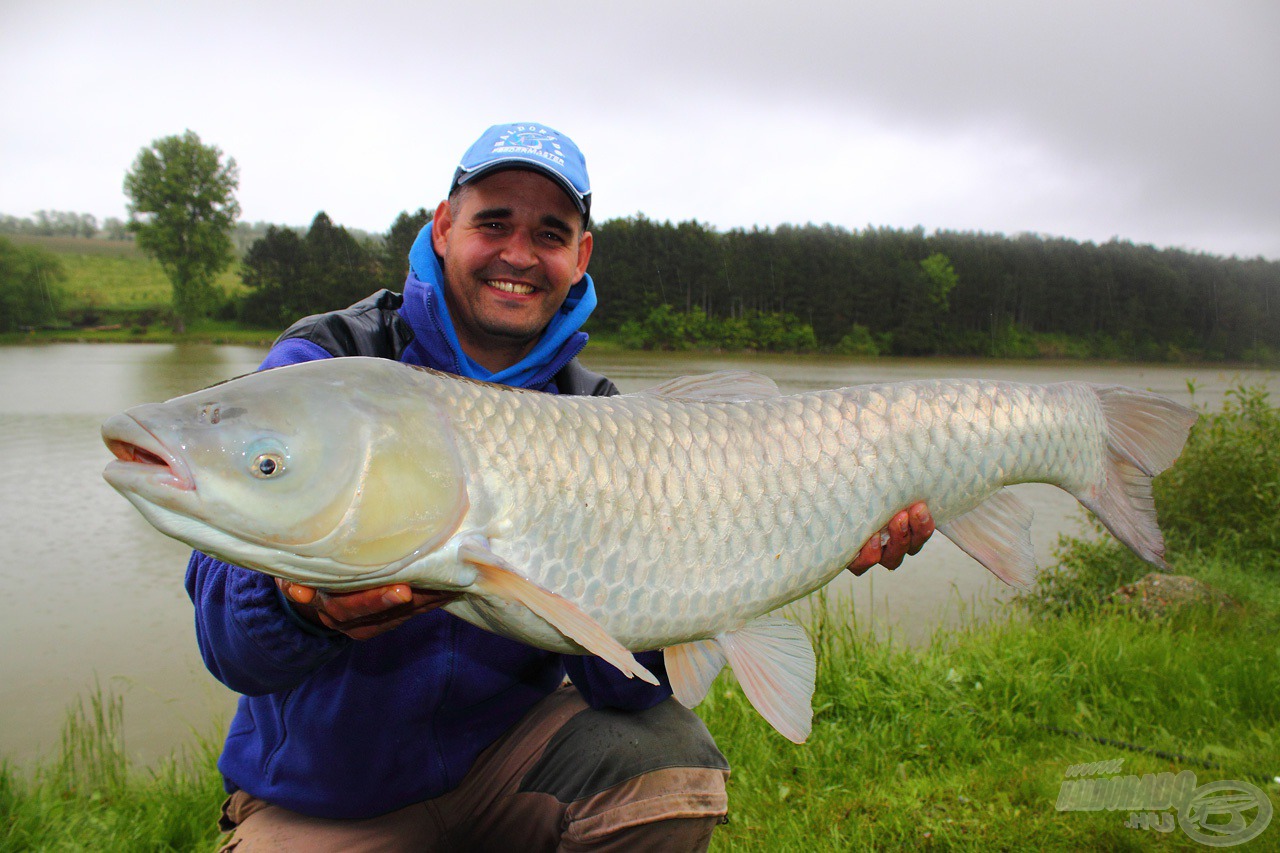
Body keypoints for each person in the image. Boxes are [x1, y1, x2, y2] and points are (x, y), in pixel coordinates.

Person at [192, 122, 934, 851]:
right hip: (329, 795)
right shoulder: (330, 363)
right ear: (444, 226)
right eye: (493, 222)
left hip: (504, 764)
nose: (518, 253)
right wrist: (305, 607)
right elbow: (228, 641)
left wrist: (731, 578)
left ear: (579, 257)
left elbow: (625, 691)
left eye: (549, 234)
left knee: (668, 764)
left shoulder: (598, 414)